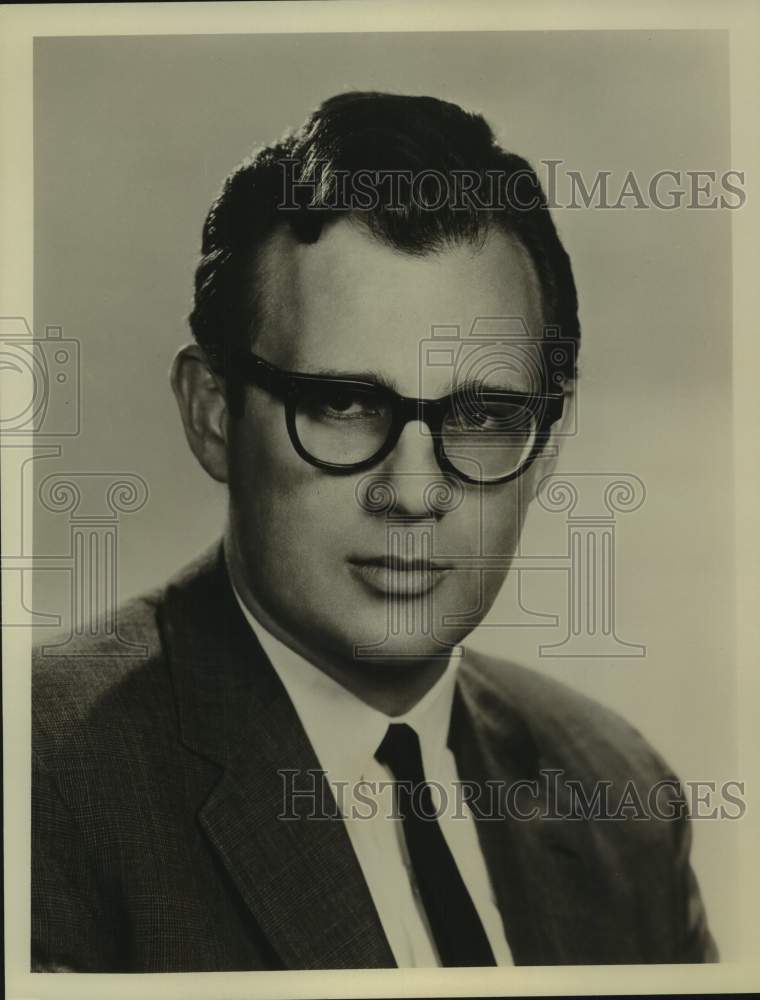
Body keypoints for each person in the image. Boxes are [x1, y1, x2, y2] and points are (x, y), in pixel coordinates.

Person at [32, 91, 717, 971]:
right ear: (212, 414)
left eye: (479, 413)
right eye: (344, 403)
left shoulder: (621, 798)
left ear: (549, 440)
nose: (415, 491)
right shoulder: (43, 777)